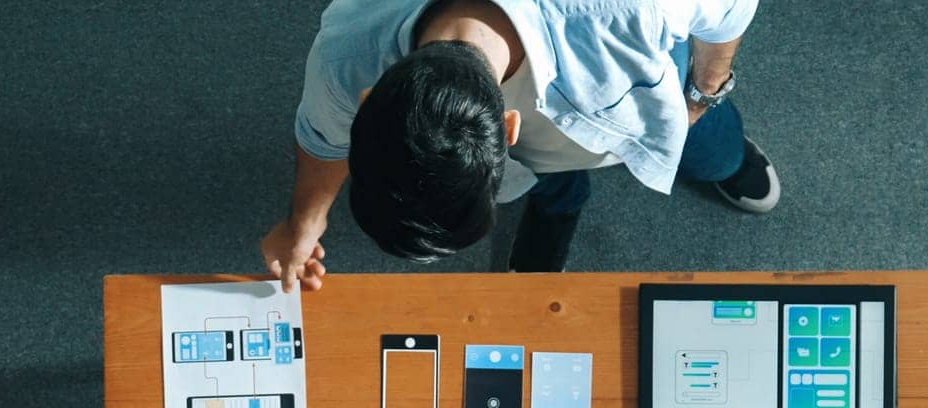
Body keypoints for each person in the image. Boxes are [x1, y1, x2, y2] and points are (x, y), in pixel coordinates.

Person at [261, 0, 777, 291]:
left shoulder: (633, 11)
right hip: (553, 149)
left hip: (655, 105)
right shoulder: (345, 57)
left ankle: (725, 161)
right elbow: (323, 138)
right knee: (550, 180)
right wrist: (301, 226)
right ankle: (558, 208)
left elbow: (731, 10)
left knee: (713, 148)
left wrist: (702, 93)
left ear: (509, 129)